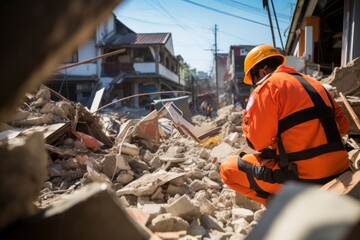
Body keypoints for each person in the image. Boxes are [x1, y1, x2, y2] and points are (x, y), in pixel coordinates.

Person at [220, 45, 350, 205]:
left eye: (253, 81)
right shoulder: (316, 84)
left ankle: (283, 207)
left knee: (228, 169)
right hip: (341, 169)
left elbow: (257, 143)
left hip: (305, 178)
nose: (254, 85)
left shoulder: (267, 87)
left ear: (261, 72)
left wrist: (247, 120)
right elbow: (343, 127)